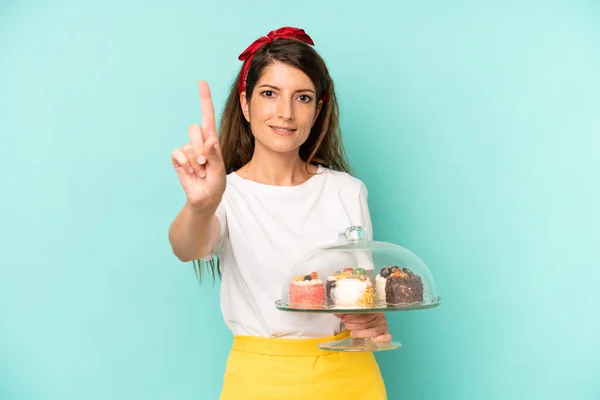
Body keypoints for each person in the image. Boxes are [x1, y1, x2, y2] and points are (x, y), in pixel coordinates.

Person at [169, 26, 390, 399]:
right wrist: (200, 205)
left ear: (317, 109)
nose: (285, 113)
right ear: (245, 103)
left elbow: (360, 297)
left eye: (302, 97)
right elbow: (186, 246)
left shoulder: (346, 191)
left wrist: (368, 321)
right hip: (259, 380)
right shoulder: (225, 193)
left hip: (350, 379)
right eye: (269, 94)